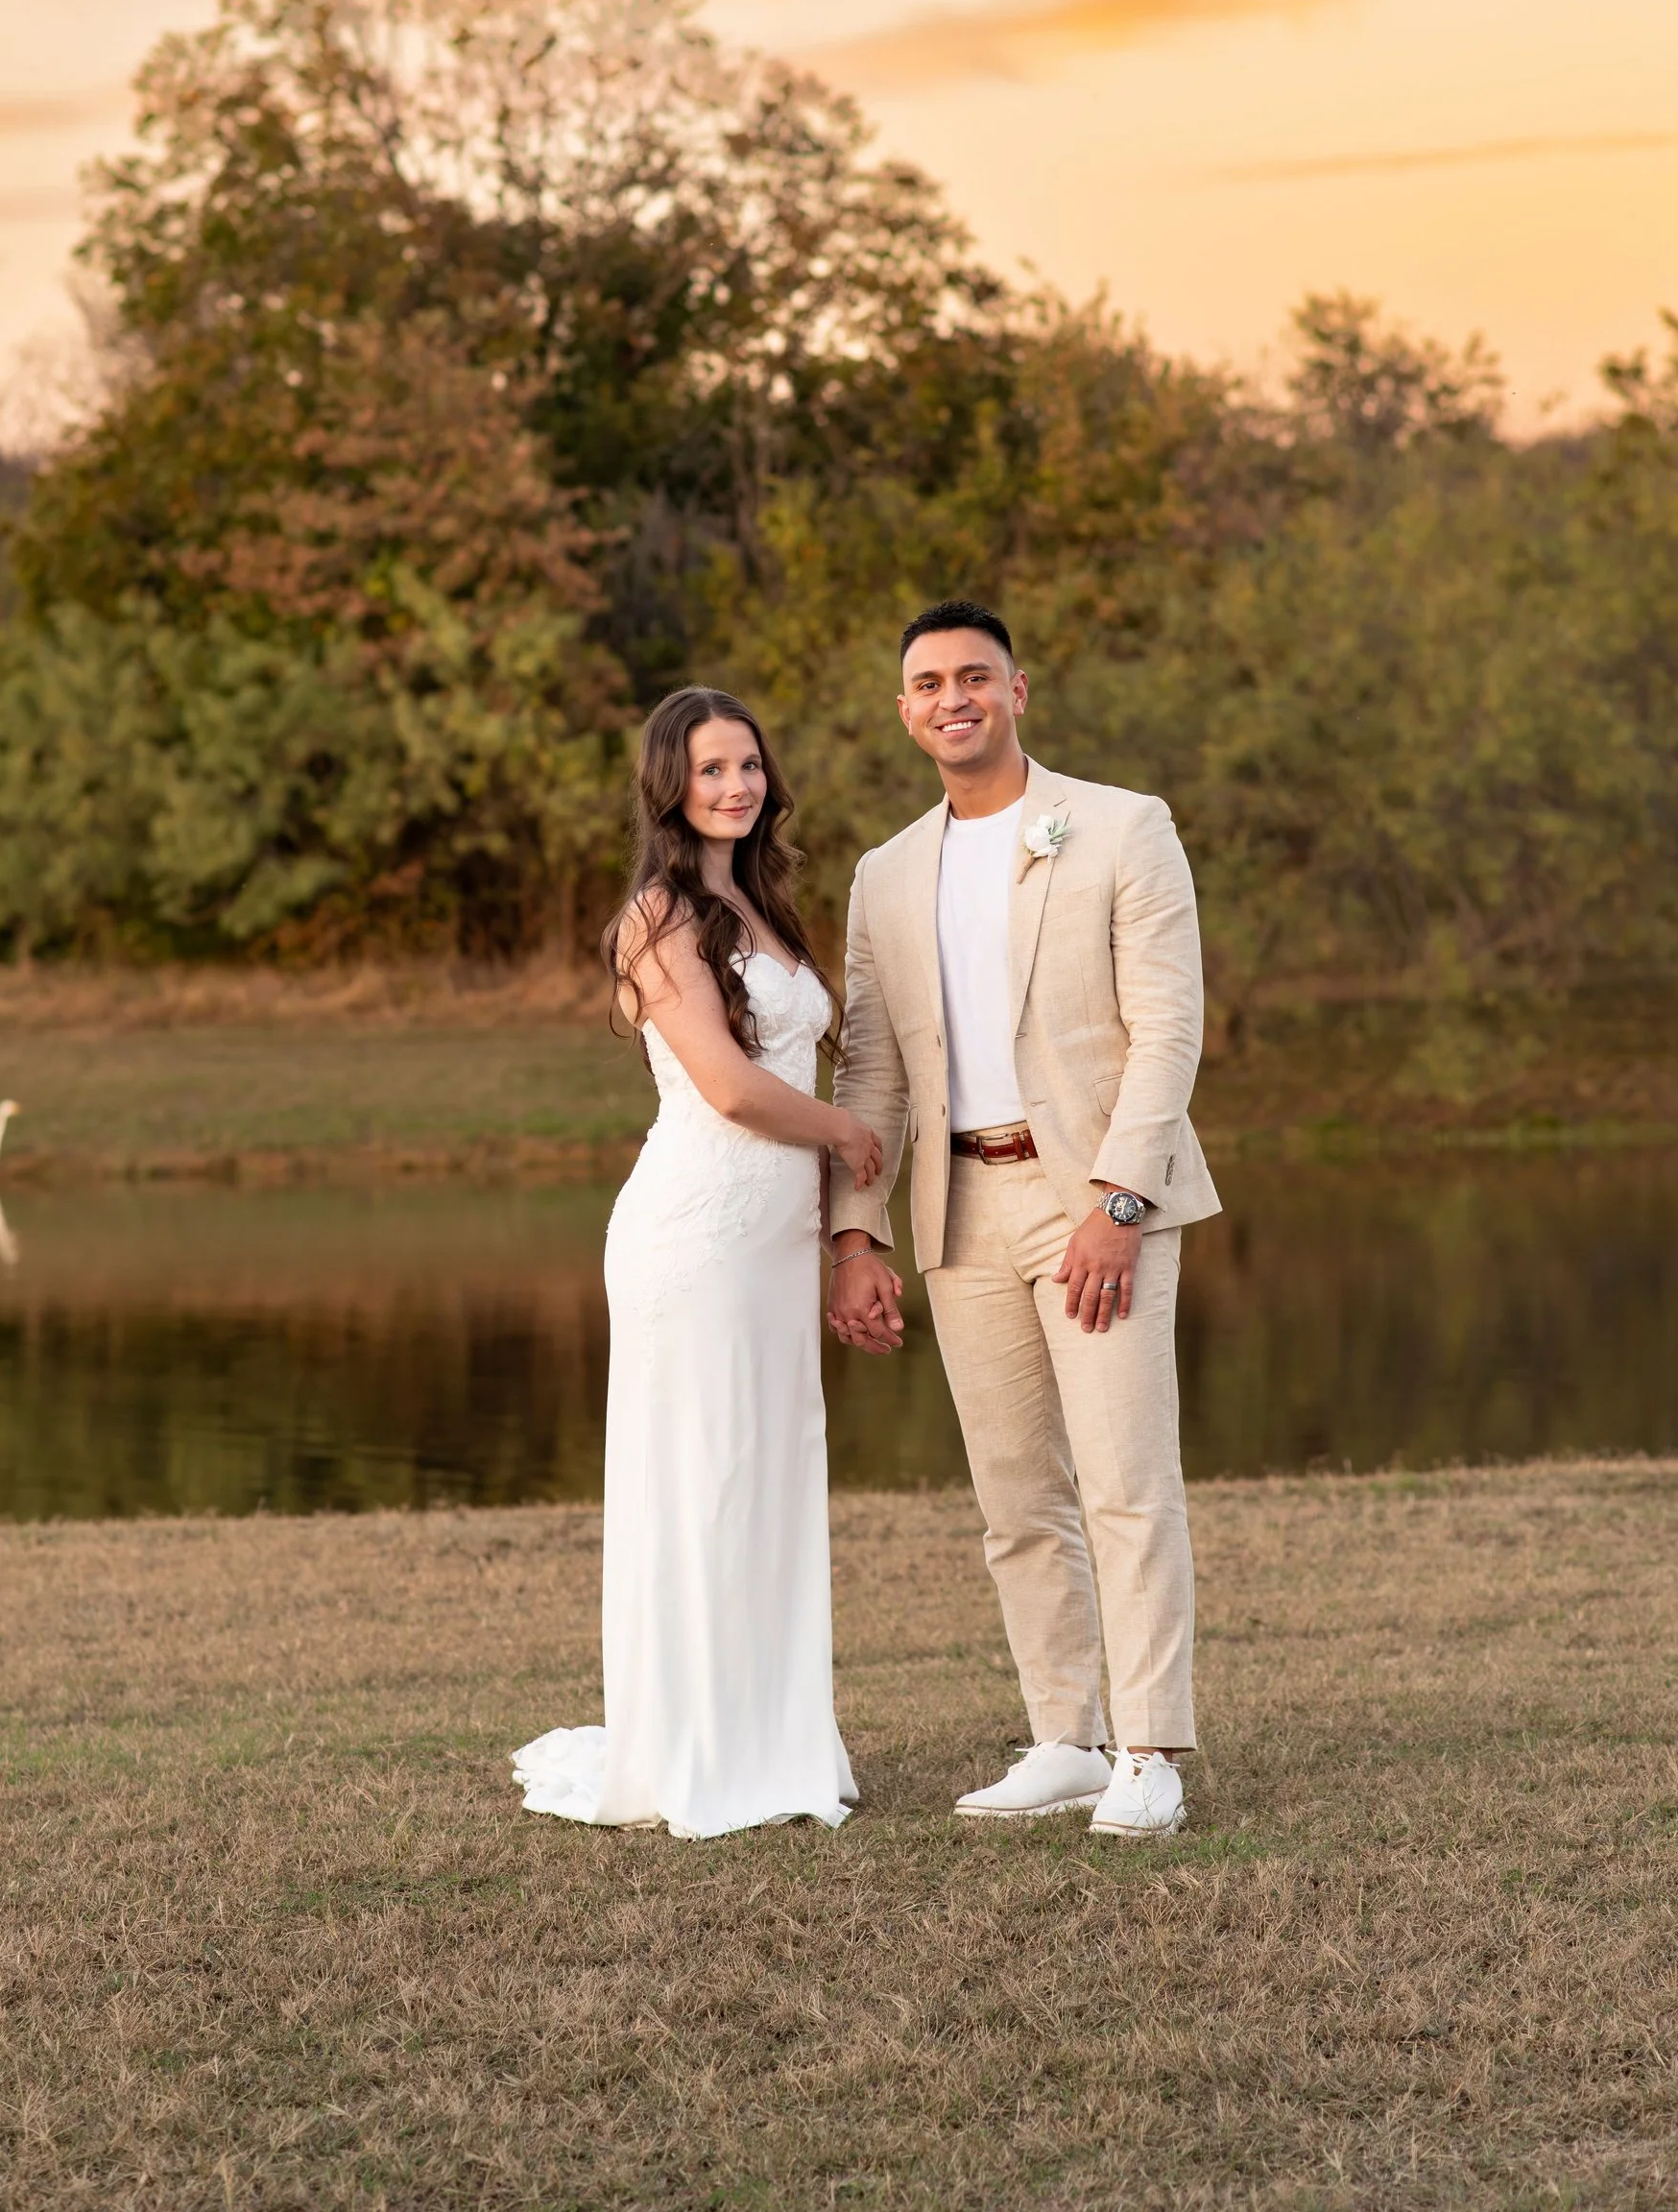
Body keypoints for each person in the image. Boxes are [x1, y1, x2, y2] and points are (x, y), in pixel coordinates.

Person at [826, 600, 1219, 1837]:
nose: (953, 698)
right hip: (959, 1205)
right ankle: (1064, 1736)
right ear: (905, 710)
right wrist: (856, 1231)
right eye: (929, 682)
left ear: (1017, 691)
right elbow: (871, 1074)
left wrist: (1118, 1199)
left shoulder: (1120, 825)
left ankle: (1149, 1747)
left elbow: (1168, 1028)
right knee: (1013, 1496)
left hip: (1094, 1198)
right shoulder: (884, 873)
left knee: (1124, 1479)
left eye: (975, 677)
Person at [513, 686, 879, 1839]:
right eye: (712, 769)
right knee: (706, 1479)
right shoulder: (656, 915)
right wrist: (846, 1133)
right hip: (697, 1232)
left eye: (750, 766)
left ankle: (773, 1741)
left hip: (771, 1242)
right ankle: (697, 1751)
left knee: (768, 1475)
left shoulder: (764, 904)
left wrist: (834, 1226)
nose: (736, 786)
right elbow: (725, 1086)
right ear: (669, 784)